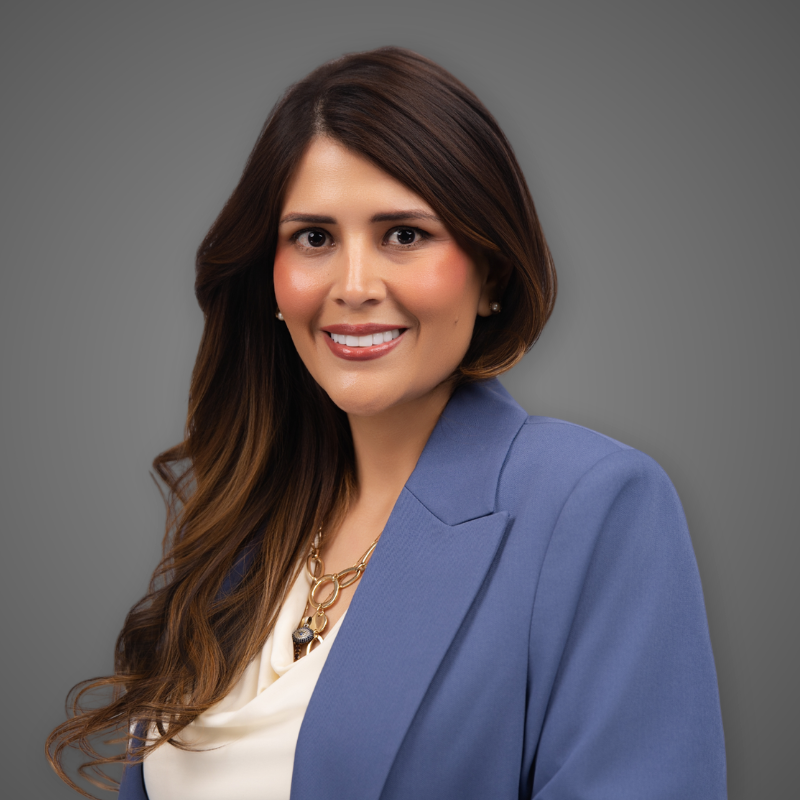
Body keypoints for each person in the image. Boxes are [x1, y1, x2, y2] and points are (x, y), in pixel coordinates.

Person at [46, 46, 726, 799]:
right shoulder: (233, 531)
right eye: (314, 238)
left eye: (404, 235)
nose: (354, 286)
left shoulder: (592, 505)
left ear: (492, 272)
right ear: (271, 277)